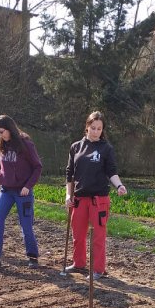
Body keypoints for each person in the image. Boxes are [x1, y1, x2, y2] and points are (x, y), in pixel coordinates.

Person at [65, 111, 127, 279]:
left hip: (98, 200)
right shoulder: (76, 147)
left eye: (99, 129)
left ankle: (98, 269)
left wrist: (119, 185)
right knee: (78, 233)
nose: (96, 131)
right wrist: (67, 195)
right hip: (79, 198)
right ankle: (78, 263)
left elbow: (112, 172)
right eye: (93, 128)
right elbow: (69, 174)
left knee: (98, 236)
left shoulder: (106, 148)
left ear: (102, 130)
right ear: (87, 127)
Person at [0, 115, 42, 270]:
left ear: (9, 129)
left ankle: (33, 256)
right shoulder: (3, 145)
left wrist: (28, 186)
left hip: (23, 192)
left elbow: (37, 167)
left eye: (1, 132)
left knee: (26, 225)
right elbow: (4, 169)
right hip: (6, 190)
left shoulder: (26, 144)